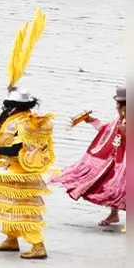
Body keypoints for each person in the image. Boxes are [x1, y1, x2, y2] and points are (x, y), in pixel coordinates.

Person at [0, 10, 54, 260]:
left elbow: (17, 149)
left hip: (19, 171)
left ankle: (37, 245)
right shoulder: (13, 119)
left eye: (8, 105)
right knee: (7, 205)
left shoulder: (26, 123)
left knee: (23, 209)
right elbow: (0, 139)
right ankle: (11, 238)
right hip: (7, 168)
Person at [52, 87, 126, 229]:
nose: (116, 108)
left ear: (124, 107)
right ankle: (114, 214)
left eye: (118, 105)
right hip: (115, 157)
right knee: (111, 182)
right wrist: (92, 121)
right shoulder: (119, 119)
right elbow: (106, 130)